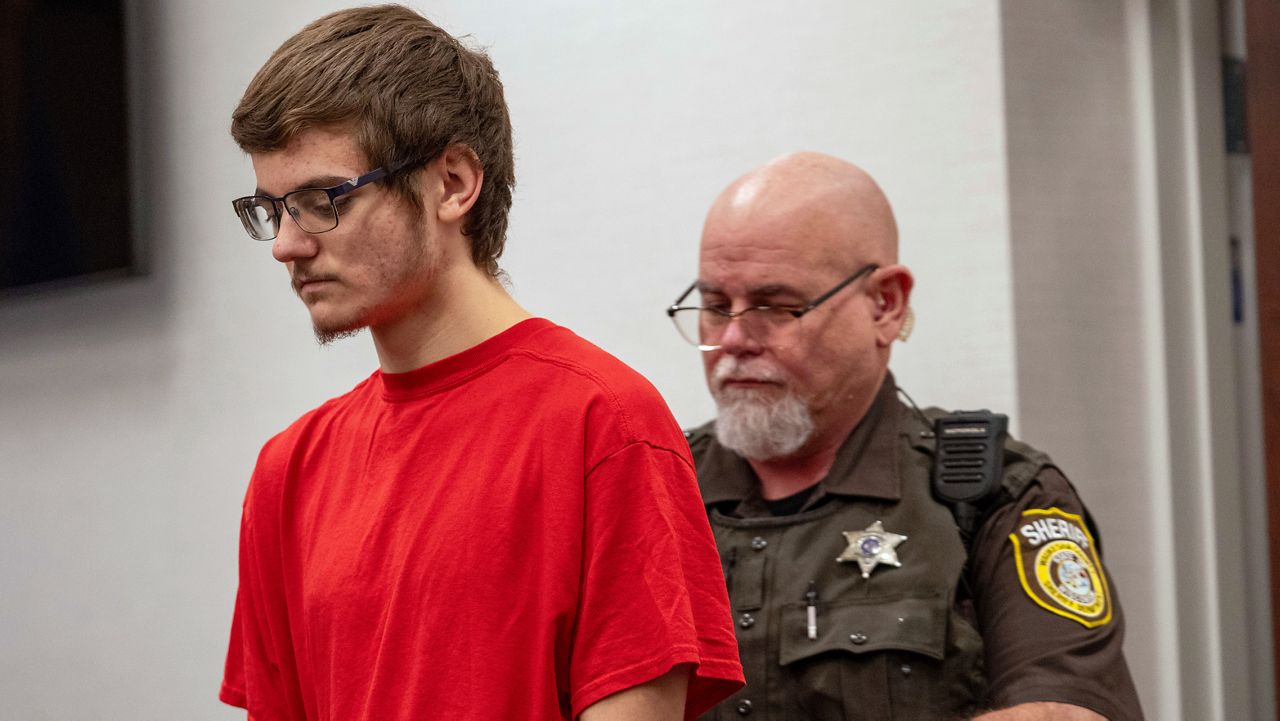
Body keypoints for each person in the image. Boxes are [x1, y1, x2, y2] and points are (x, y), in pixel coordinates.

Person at [218, 6, 743, 720]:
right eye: (270, 209)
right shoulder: (288, 471)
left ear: (453, 183)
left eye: (319, 200)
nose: (285, 244)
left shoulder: (603, 423)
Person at [668, 152, 1144, 720]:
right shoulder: (653, 488)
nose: (734, 339)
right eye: (715, 306)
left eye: (777, 306)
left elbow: (1066, 711)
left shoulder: (992, 495)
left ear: (885, 305)